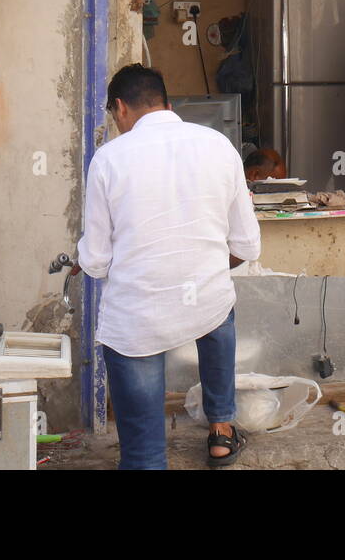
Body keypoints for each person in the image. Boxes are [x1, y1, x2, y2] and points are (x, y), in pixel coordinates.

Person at [77, 64, 261, 469]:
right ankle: (222, 429)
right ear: (168, 105)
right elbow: (247, 245)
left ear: (120, 108)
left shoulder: (108, 159)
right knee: (218, 308)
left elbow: (95, 262)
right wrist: (202, 266)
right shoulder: (218, 145)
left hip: (139, 319)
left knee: (144, 454)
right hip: (206, 302)